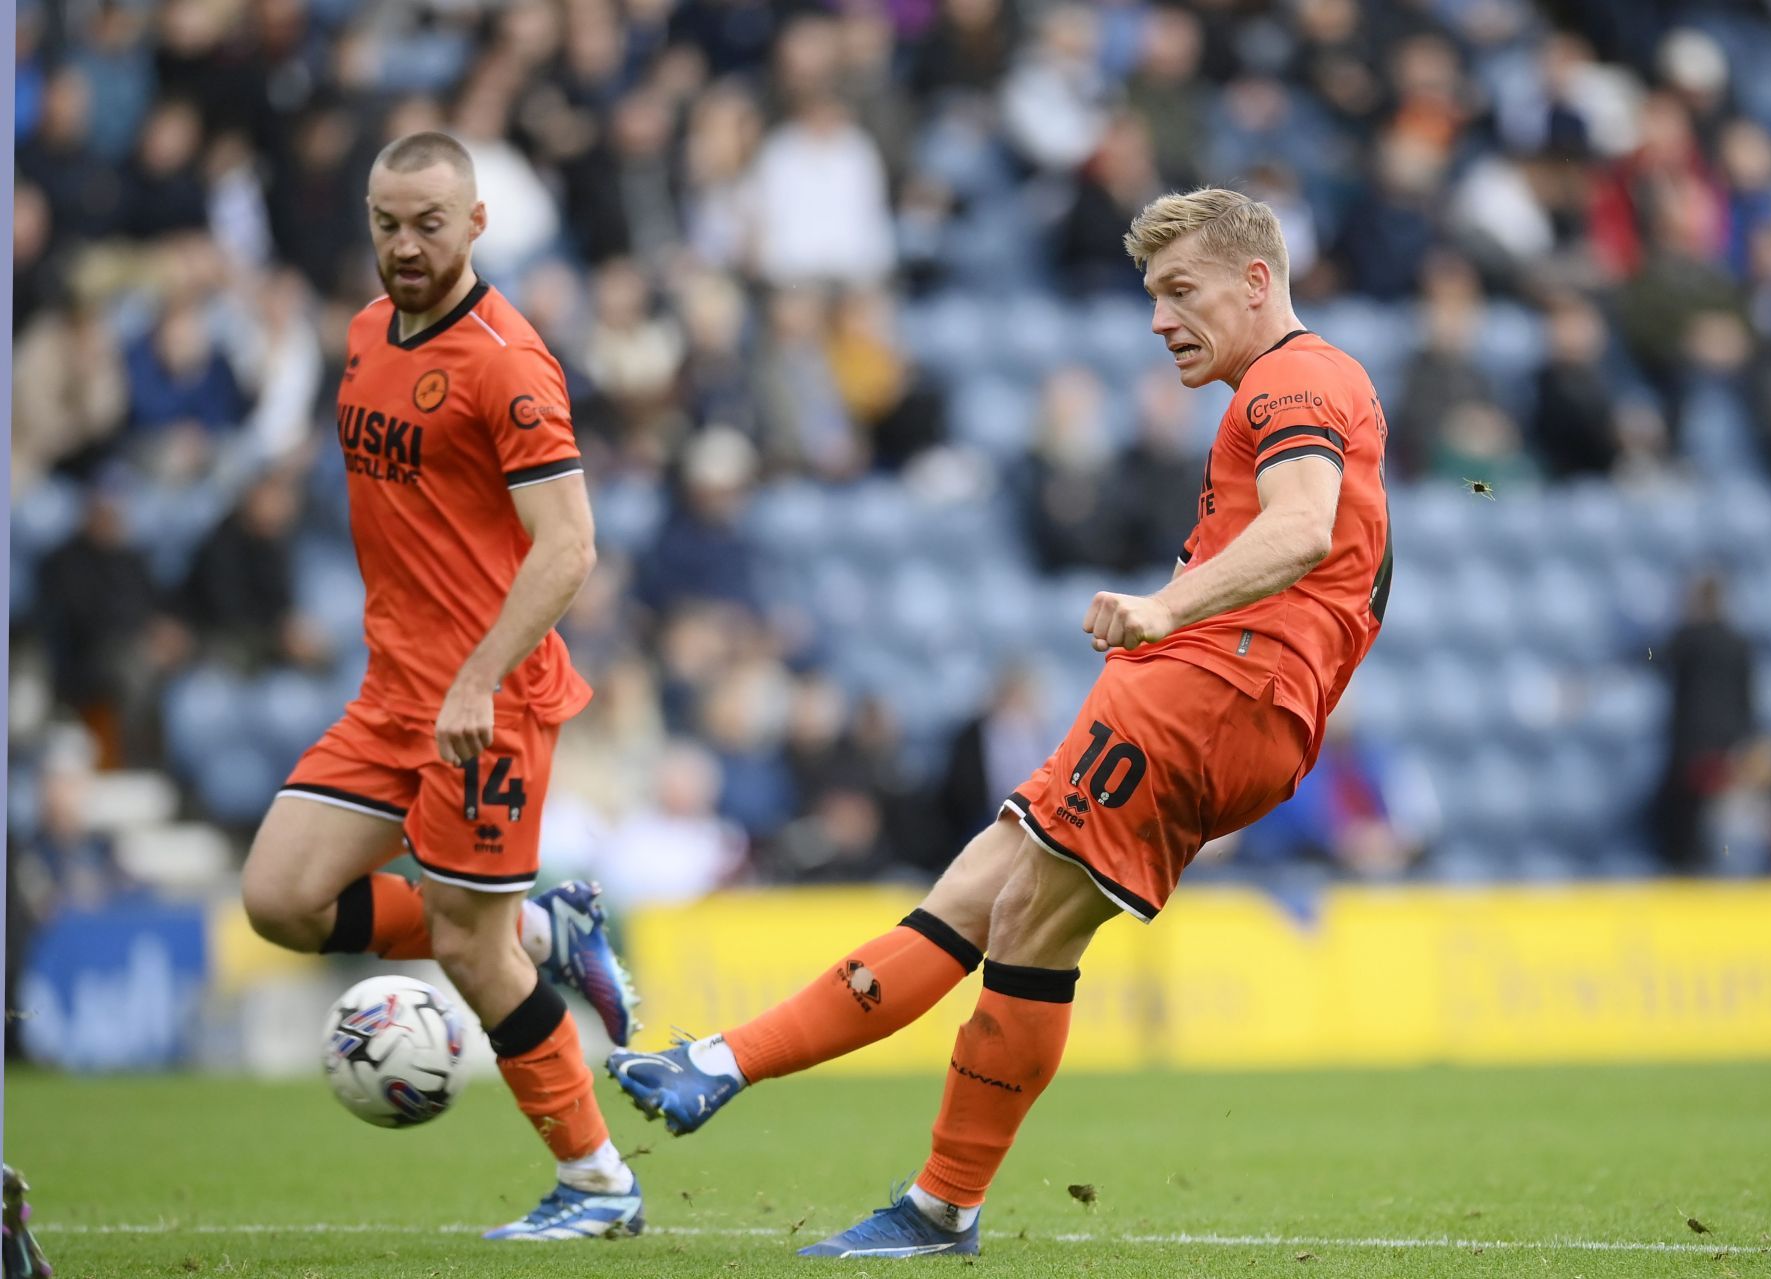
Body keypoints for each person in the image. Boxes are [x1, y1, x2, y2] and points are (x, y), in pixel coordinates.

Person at [608, 187, 1392, 1257]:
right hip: (1210, 693)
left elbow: (1303, 529)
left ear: (1258, 282)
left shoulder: (1298, 376)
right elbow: (1345, 569)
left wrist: (1169, 607)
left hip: (1209, 692)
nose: (1159, 319)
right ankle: (722, 1062)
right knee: (973, 893)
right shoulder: (1301, 391)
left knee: (1028, 925)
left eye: (1180, 290)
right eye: (1151, 295)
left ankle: (941, 1204)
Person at [237, 132, 642, 1241]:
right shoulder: (366, 332)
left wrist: (475, 677)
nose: (404, 245)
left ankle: (599, 1184)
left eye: (427, 223)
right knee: (281, 896)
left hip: (487, 708)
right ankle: (544, 934)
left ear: (475, 225)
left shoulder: (508, 362)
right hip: (393, 696)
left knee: (470, 948)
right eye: (385, 222)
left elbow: (568, 547)